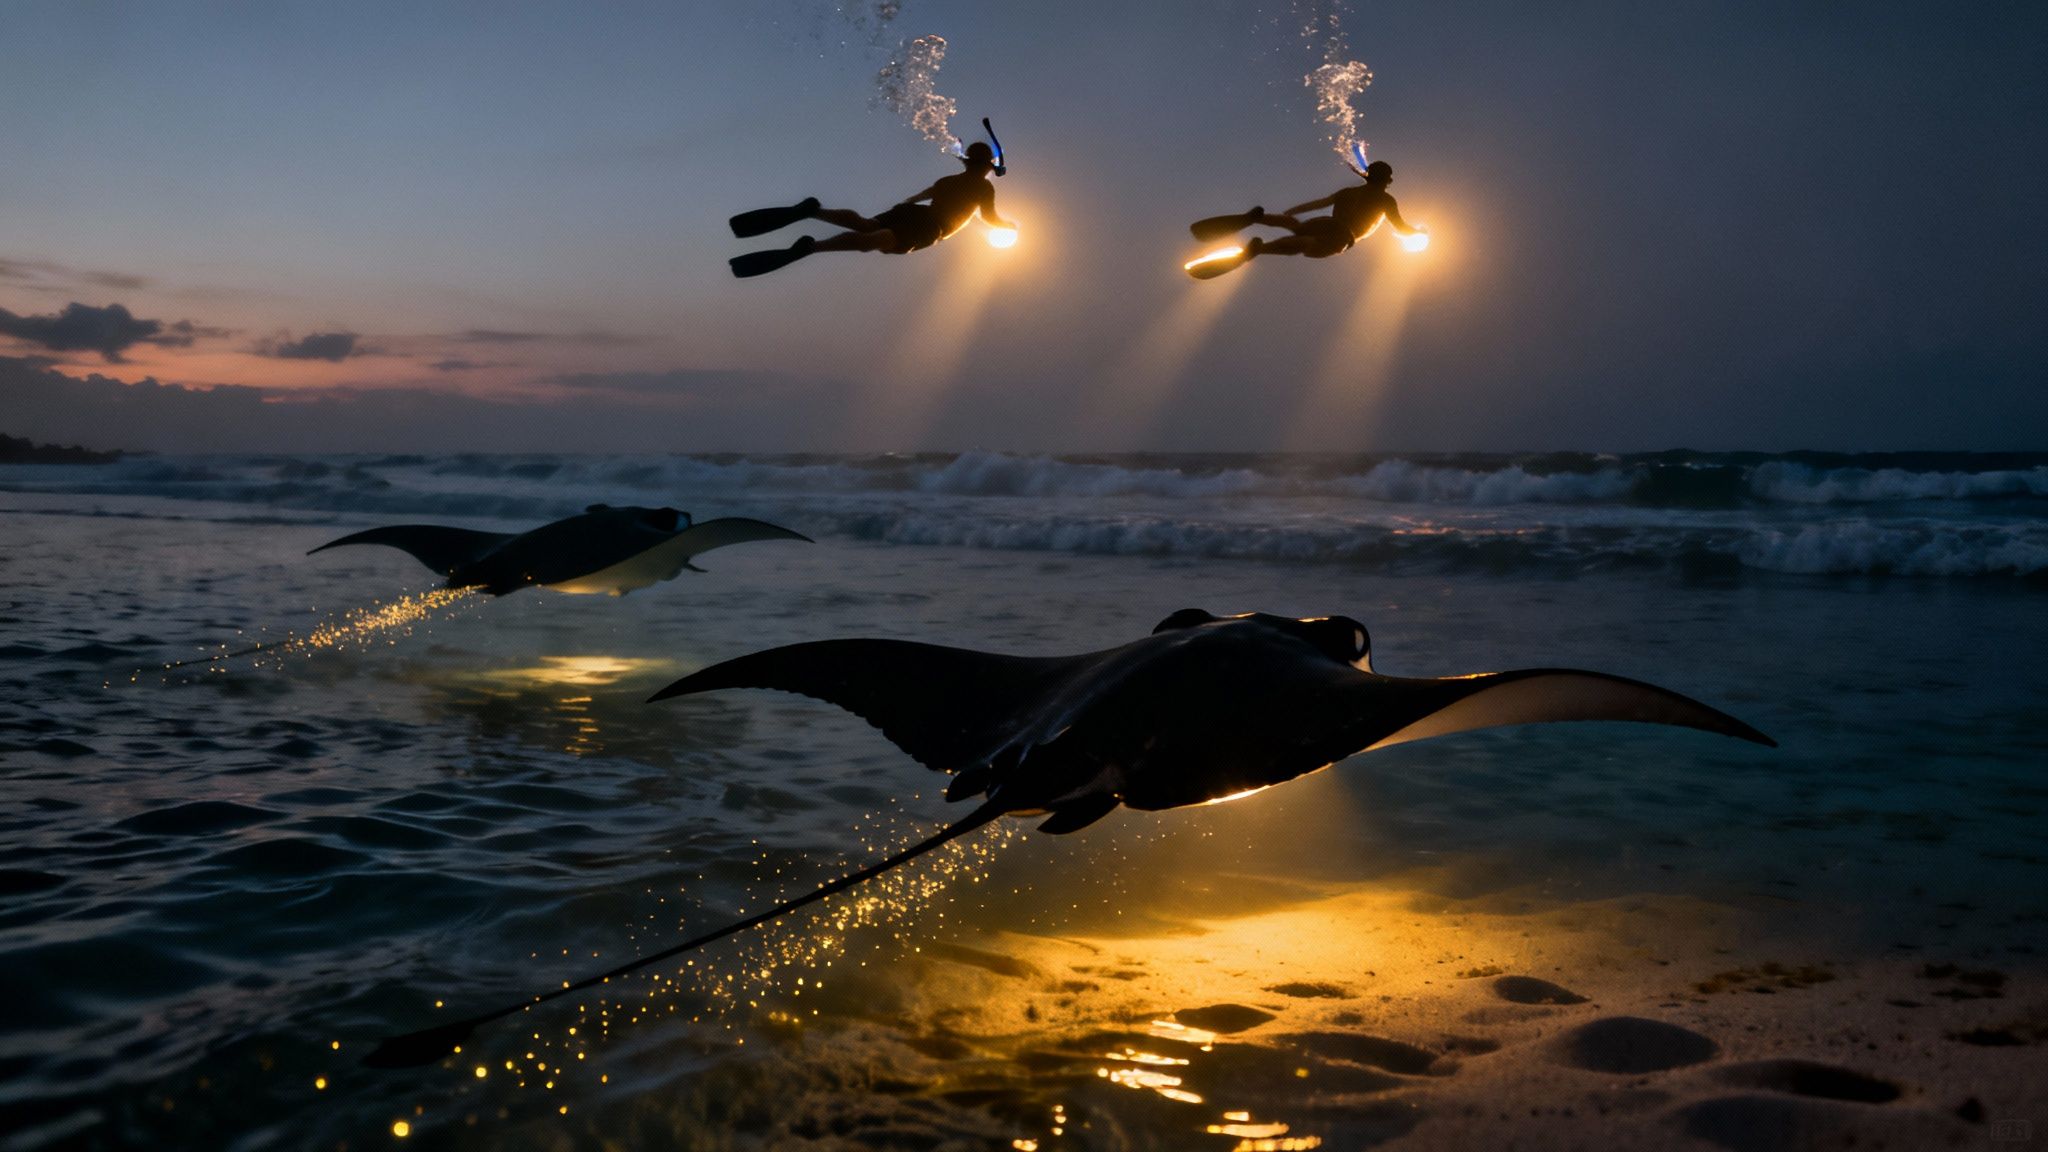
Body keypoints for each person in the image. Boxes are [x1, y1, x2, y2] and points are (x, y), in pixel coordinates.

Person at [728, 142, 1017, 278]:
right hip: (932, 228)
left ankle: (814, 212)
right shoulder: (984, 188)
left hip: (912, 212)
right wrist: (1008, 226)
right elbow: (989, 217)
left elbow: (922, 195)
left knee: (867, 225)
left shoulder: (946, 180)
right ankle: (812, 247)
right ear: (987, 168)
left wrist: (907, 202)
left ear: (967, 162)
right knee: (875, 241)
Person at [1186, 160, 1424, 278]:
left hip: (1323, 223)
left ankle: (1256, 220)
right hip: (1342, 235)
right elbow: (1400, 227)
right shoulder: (1386, 201)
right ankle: (1258, 250)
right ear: (1386, 180)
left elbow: (1319, 204)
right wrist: (1419, 232)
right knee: (1305, 244)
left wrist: (1292, 211)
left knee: (1297, 228)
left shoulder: (1349, 192)